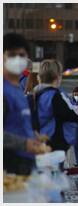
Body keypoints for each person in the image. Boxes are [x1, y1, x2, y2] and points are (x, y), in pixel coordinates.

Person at [3, 33, 49, 175]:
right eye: (12, 55)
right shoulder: (4, 91)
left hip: (24, 166)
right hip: (8, 166)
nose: (17, 59)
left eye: (21, 55)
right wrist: (25, 143)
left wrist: (33, 137)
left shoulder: (18, 90)